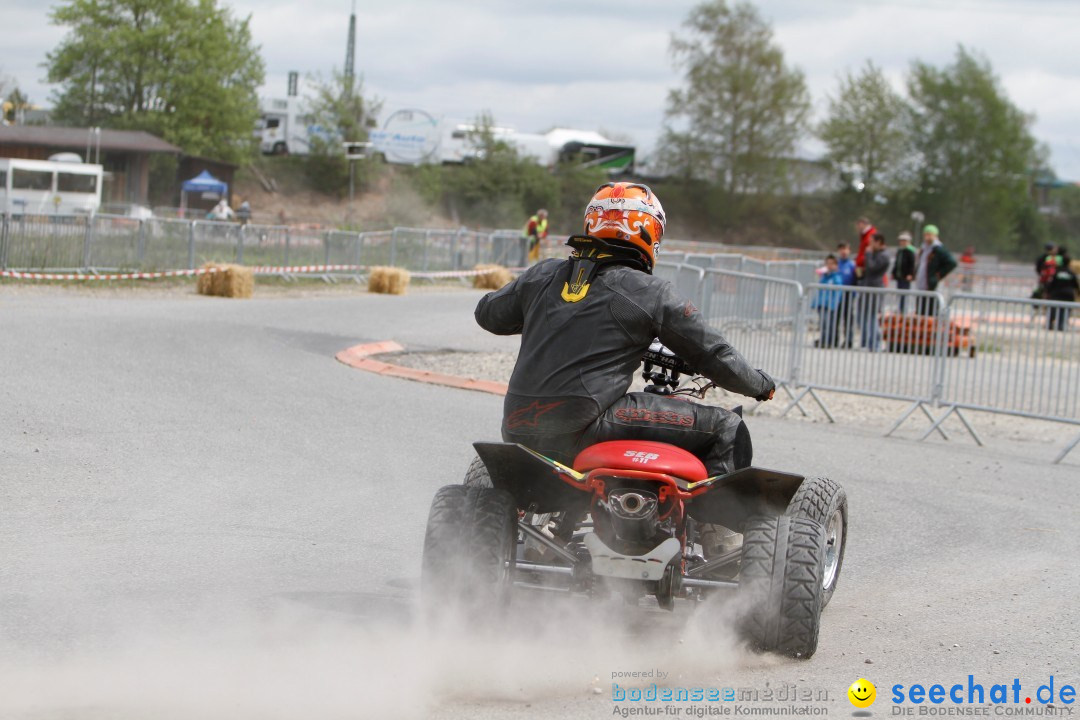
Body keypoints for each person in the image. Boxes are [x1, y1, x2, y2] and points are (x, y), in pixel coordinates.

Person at [475, 182, 775, 484]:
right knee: (727, 427)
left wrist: (544, 302)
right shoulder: (650, 291)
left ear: (591, 222)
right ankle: (714, 525)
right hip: (586, 425)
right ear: (649, 230)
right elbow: (714, 355)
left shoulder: (542, 274)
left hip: (517, 425)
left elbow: (488, 314)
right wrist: (760, 385)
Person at [914, 224, 956, 316]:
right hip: (921, 285)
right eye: (926, 234)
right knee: (920, 312)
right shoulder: (924, 248)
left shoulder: (939, 249)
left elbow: (952, 263)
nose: (927, 237)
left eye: (929, 234)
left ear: (935, 235)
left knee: (931, 313)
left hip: (932, 286)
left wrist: (938, 275)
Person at [860, 232, 890, 350]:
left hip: (875, 287)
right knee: (867, 316)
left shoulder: (883, 256)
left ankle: (876, 343)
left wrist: (868, 254)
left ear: (878, 242)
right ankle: (868, 342)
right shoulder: (877, 254)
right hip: (869, 286)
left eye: (872, 242)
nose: (870, 245)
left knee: (873, 316)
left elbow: (872, 268)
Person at [812, 254, 845, 348]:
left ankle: (829, 341)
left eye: (832, 264)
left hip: (830, 304)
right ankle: (824, 340)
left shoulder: (836, 277)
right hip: (822, 303)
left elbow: (838, 291)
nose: (829, 266)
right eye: (828, 264)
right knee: (823, 323)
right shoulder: (824, 276)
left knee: (829, 324)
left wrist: (834, 304)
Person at [1045, 248, 1079, 331]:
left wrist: (1048, 292)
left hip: (1056, 294)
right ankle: (1061, 325)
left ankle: (1050, 324)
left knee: (1053, 309)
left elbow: (1051, 283)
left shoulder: (1057, 272)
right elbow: (1076, 285)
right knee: (1065, 310)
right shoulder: (1071, 273)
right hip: (1068, 294)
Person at [835, 242, 857, 346]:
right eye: (841, 249)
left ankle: (848, 340)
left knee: (848, 318)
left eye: (846, 249)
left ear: (849, 250)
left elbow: (856, 280)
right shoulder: (835, 264)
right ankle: (834, 339)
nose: (843, 251)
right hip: (836, 295)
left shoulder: (852, 265)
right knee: (835, 317)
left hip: (848, 294)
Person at [892, 231, 917, 312]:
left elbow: (912, 264)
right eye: (901, 240)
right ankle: (900, 309)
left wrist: (910, 274)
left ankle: (903, 310)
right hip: (899, 276)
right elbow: (897, 263)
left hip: (906, 276)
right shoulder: (900, 251)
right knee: (899, 292)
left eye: (904, 240)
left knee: (905, 294)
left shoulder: (910, 251)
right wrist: (894, 272)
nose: (902, 242)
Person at [854, 216, 877, 283]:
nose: (858, 227)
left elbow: (869, 253)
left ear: (863, 224)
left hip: (865, 269)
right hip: (861, 268)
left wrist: (862, 264)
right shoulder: (864, 235)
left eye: (859, 225)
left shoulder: (871, 234)